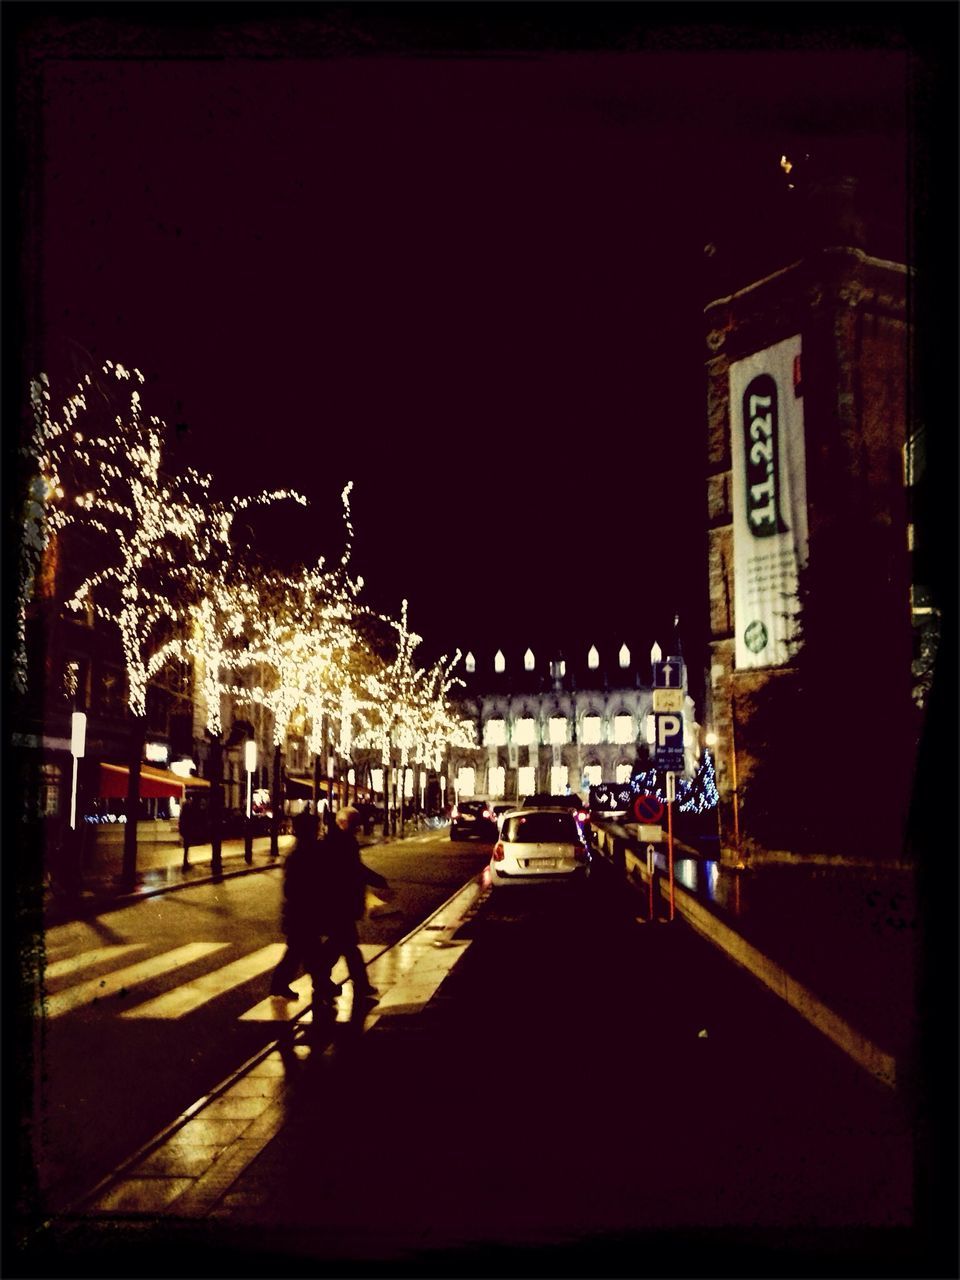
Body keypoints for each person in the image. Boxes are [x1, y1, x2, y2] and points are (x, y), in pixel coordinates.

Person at [269, 805, 389, 1005]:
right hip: (304, 912)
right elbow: (299, 886)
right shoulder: (303, 852)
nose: (319, 831)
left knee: (303, 951)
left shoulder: (310, 848)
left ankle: (312, 984)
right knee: (312, 950)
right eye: (315, 828)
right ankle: (324, 984)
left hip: (306, 912)